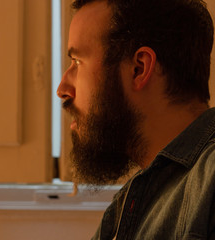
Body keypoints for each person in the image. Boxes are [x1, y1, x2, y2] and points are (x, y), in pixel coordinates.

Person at [57, 0, 215, 239]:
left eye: (78, 62)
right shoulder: (129, 205)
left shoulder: (210, 183)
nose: (62, 88)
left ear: (139, 68)